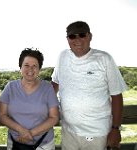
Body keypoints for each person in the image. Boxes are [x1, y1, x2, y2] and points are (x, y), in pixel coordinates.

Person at [51, 21, 128, 150]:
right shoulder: (62, 56)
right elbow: (55, 84)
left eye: (82, 35)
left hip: (97, 134)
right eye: (72, 36)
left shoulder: (104, 59)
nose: (77, 40)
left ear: (89, 36)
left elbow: (116, 95)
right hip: (68, 132)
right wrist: (37, 104)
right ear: (67, 39)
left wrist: (115, 129)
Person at [0, 48, 59, 150]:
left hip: (43, 145)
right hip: (15, 144)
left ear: (39, 69)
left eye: (34, 66)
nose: (30, 69)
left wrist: (30, 133)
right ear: (20, 67)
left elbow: (54, 117)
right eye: (26, 65)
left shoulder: (47, 88)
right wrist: (21, 130)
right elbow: (2, 115)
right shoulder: (10, 87)